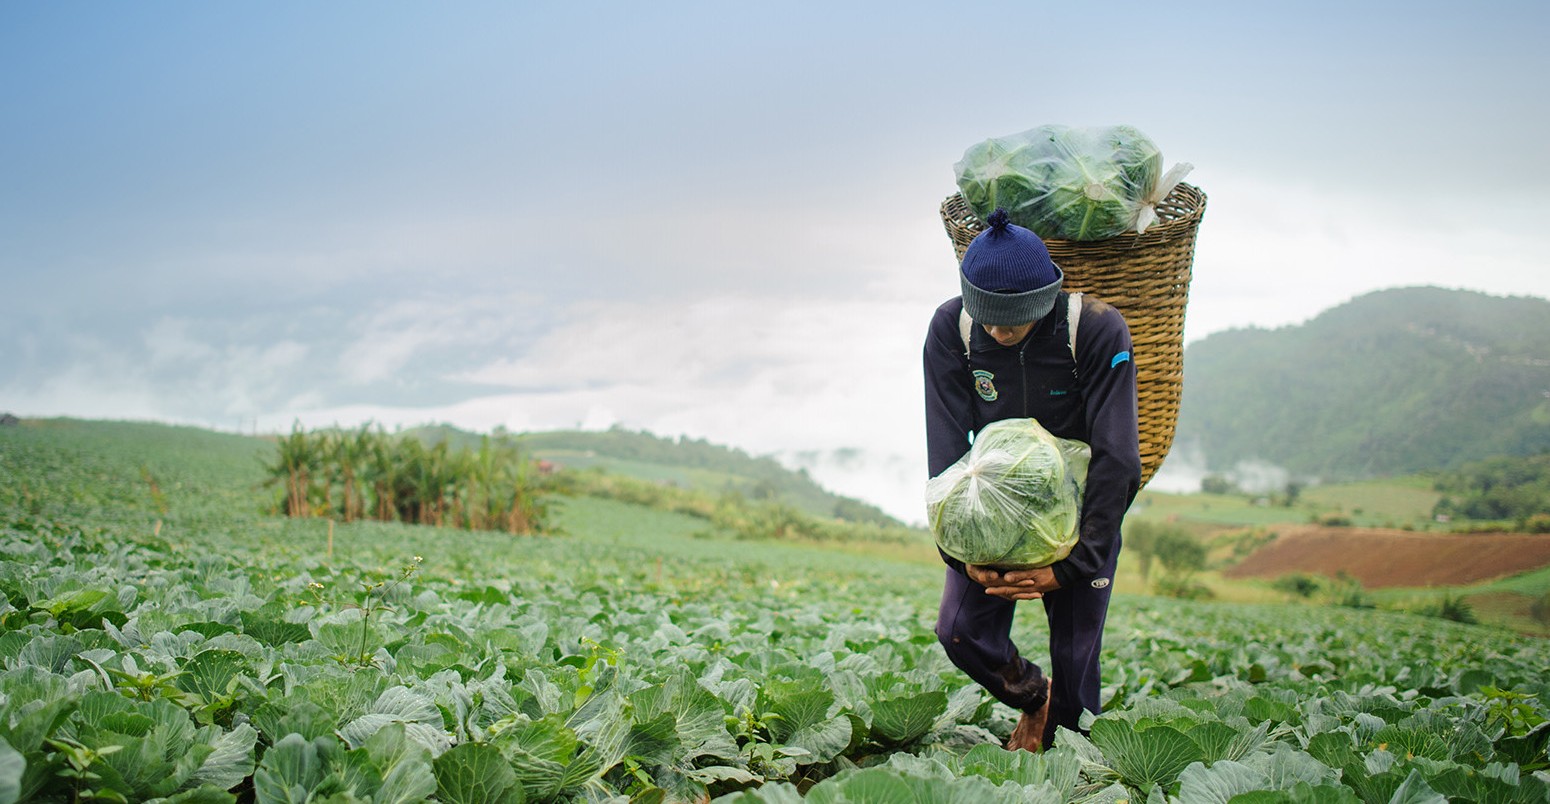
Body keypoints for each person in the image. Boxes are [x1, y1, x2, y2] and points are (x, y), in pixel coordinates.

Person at [923, 208, 1142, 751]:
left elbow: (1119, 457)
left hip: (1074, 521)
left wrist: (1070, 565)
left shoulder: (1093, 328)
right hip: (991, 520)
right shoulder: (951, 330)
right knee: (960, 632)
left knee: (1075, 667)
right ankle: (1033, 698)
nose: (998, 331)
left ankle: (1070, 759)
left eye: (1013, 320)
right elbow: (947, 454)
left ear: (1045, 298)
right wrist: (964, 556)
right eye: (988, 318)